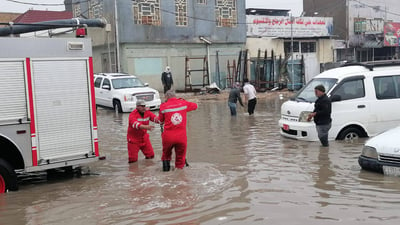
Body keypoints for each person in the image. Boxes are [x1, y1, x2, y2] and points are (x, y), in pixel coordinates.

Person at [158, 90, 198, 171]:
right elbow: (195, 106)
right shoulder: (183, 103)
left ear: (166, 97)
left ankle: (166, 174)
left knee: (166, 155)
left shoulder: (163, 106)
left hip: (168, 137)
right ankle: (180, 176)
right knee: (180, 158)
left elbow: (161, 121)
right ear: (175, 96)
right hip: (181, 137)